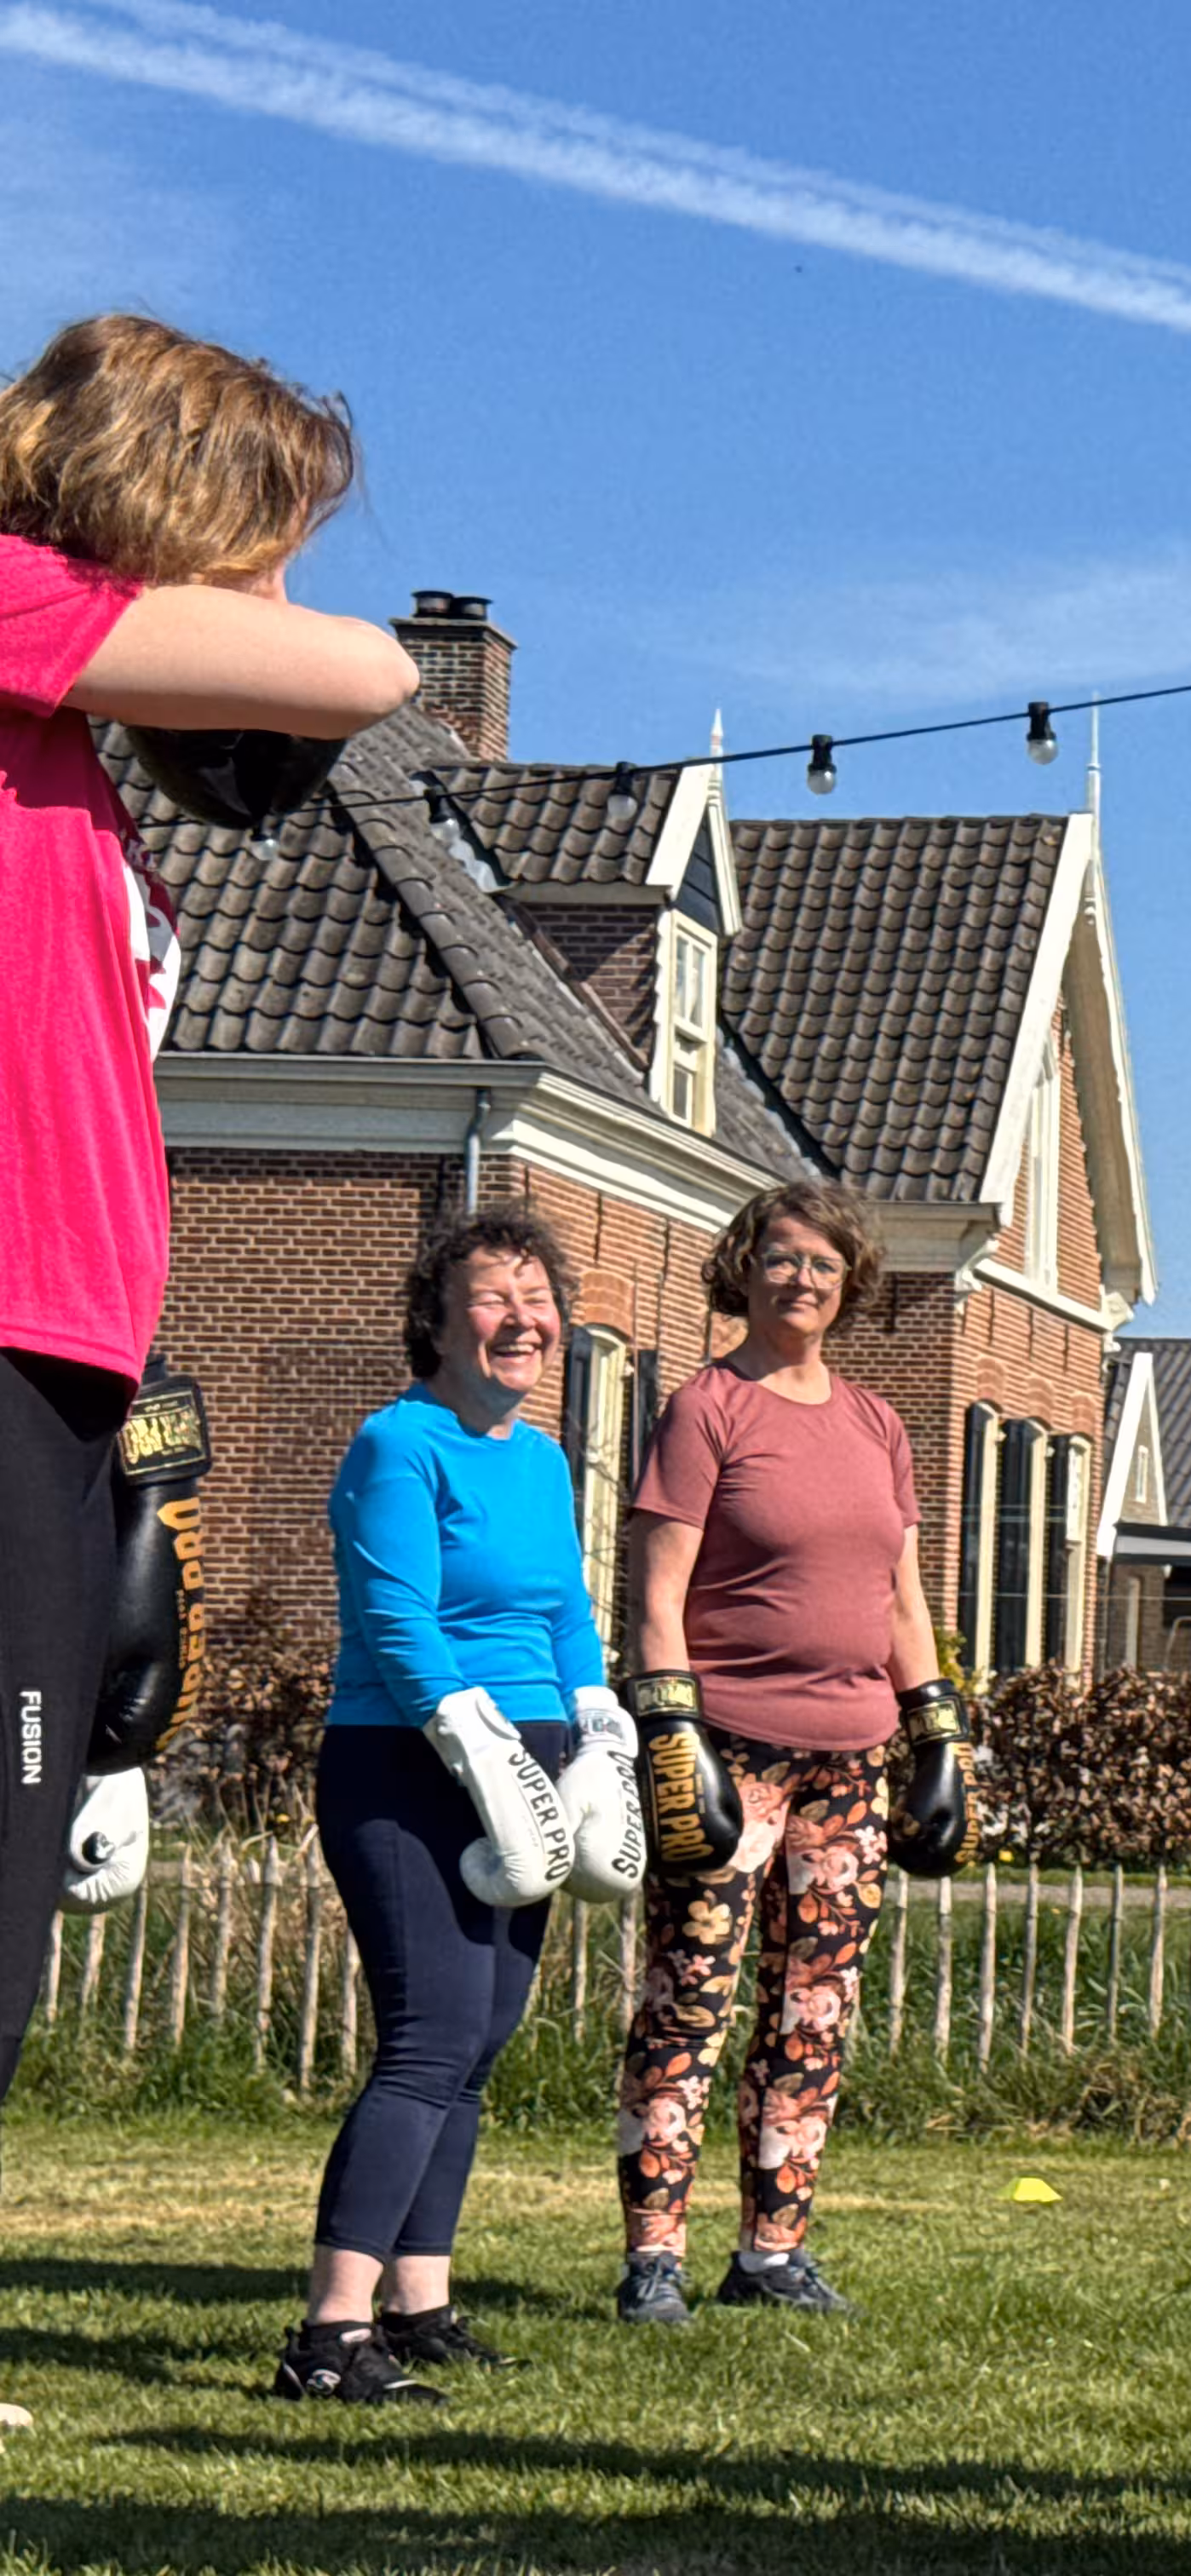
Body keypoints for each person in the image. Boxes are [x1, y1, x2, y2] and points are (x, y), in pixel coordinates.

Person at [0, 313, 414, 2122]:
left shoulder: (61, 740)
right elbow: (378, 671)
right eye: (263, 543)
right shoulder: (4, 597)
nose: (277, 597)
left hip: (65, 1345)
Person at [276, 1206, 635, 2403]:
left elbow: (567, 1608)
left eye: (539, 1299)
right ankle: (331, 2334)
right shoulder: (399, 1445)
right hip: (409, 1758)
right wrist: (470, 1738)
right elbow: (397, 1617)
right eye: (493, 1297)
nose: (523, 1319)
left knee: (478, 2045)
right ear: (435, 1322)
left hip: (531, 1756)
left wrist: (592, 1724)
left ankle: (419, 2300)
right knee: (428, 2040)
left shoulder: (537, 1459)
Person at [615, 1181, 971, 2326]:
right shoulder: (708, 1409)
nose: (801, 1281)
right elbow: (656, 1590)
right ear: (746, 1270)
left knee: (812, 2009)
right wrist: (672, 1736)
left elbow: (904, 1599)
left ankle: (772, 2253)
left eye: (823, 1265)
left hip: (851, 1762)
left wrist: (937, 1738)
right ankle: (653, 2260)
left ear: (850, 1283)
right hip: (730, 1750)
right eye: (781, 1260)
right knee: (691, 1998)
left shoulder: (876, 1424)